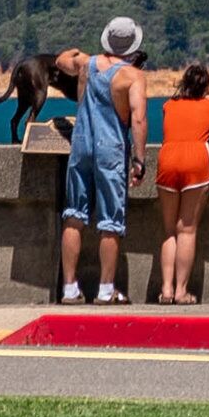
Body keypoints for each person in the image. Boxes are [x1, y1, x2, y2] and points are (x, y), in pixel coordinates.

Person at [53, 17, 145, 303]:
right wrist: (139, 160)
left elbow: (61, 60)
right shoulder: (132, 77)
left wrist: (84, 52)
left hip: (81, 144)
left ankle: (69, 287)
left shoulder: (86, 65)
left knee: (73, 215)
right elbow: (139, 119)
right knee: (110, 220)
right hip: (111, 148)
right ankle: (106, 289)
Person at [151, 61, 209, 305]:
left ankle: (166, 290)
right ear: (206, 86)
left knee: (169, 230)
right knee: (187, 229)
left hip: (167, 160)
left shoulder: (168, 105)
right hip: (196, 162)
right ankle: (182, 291)